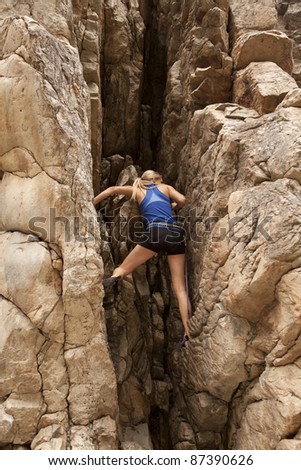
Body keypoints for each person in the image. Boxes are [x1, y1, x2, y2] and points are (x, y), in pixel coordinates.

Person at [93, 170, 191, 346]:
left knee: (124, 268)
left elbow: (112, 189)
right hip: (175, 233)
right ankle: (187, 332)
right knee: (180, 288)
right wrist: (173, 207)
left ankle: (115, 277)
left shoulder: (137, 190)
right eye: (160, 178)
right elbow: (183, 200)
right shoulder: (166, 188)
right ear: (155, 179)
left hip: (154, 232)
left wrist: (91, 203)